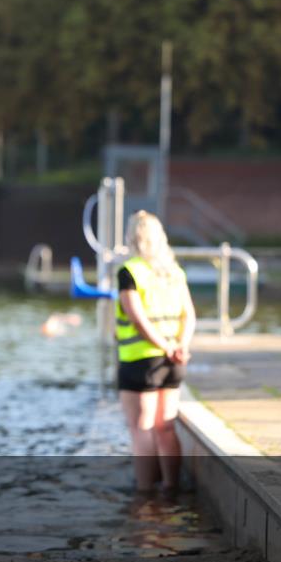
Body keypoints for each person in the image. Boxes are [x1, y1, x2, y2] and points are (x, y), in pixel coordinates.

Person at [116, 210, 196, 494]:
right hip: (174, 361)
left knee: (143, 428)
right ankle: (171, 487)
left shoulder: (130, 272)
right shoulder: (174, 272)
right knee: (165, 426)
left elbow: (137, 319)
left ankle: (145, 492)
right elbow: (189, 314)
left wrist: (163, 346)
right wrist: (180, 347)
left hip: (141, 360)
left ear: (132, 238)